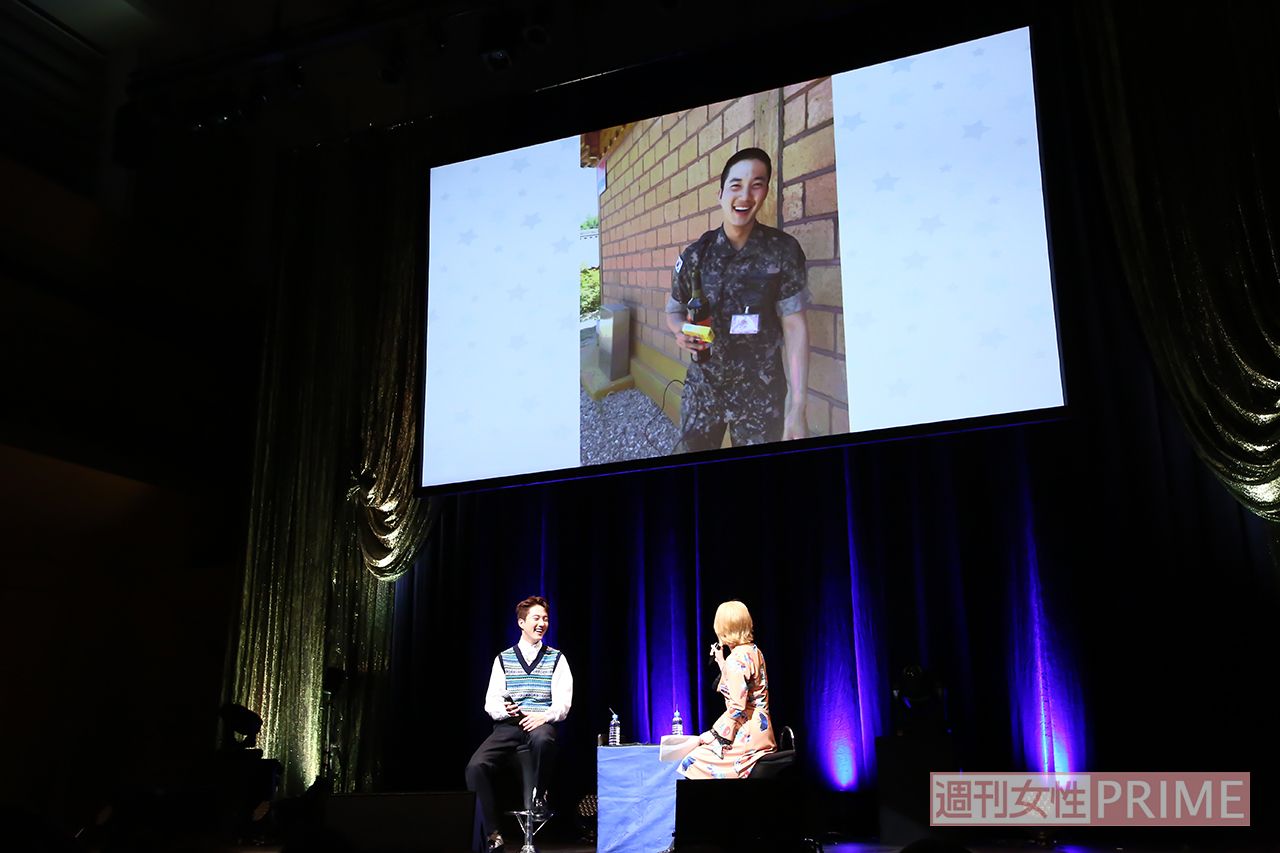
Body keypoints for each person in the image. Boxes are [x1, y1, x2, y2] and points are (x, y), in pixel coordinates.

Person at [665, 147, 812, 452]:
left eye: (756, 184)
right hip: (703, 392)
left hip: (762, 394)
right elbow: (673, 310)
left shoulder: (782, 251)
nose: (745, 195)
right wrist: (681, 331)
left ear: (766, 192)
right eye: (736, 185)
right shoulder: (695, 255)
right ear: (720, 194)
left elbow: (795, 326)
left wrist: (797, 404)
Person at [465, 596, 573, 851]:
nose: (542, 623)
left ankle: (538, 797)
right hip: (509, 726)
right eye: (536, 618)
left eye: (545, 618)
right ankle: (493, 834)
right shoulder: (504, 659)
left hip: (539, 722)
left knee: (544, 739)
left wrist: (543, 716)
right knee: (475, 766)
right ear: (521, 622)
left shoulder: (556, 659)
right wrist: (506, 709)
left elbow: (563, 703)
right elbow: (491, 702)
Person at [678, 600, 776, 779]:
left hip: (747, 737)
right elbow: (742, 686)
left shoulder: (736, 659)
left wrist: (714, 733)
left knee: (692, 761)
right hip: (762, 731)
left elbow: (737, 706)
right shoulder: (754, 651)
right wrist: (722, 662)